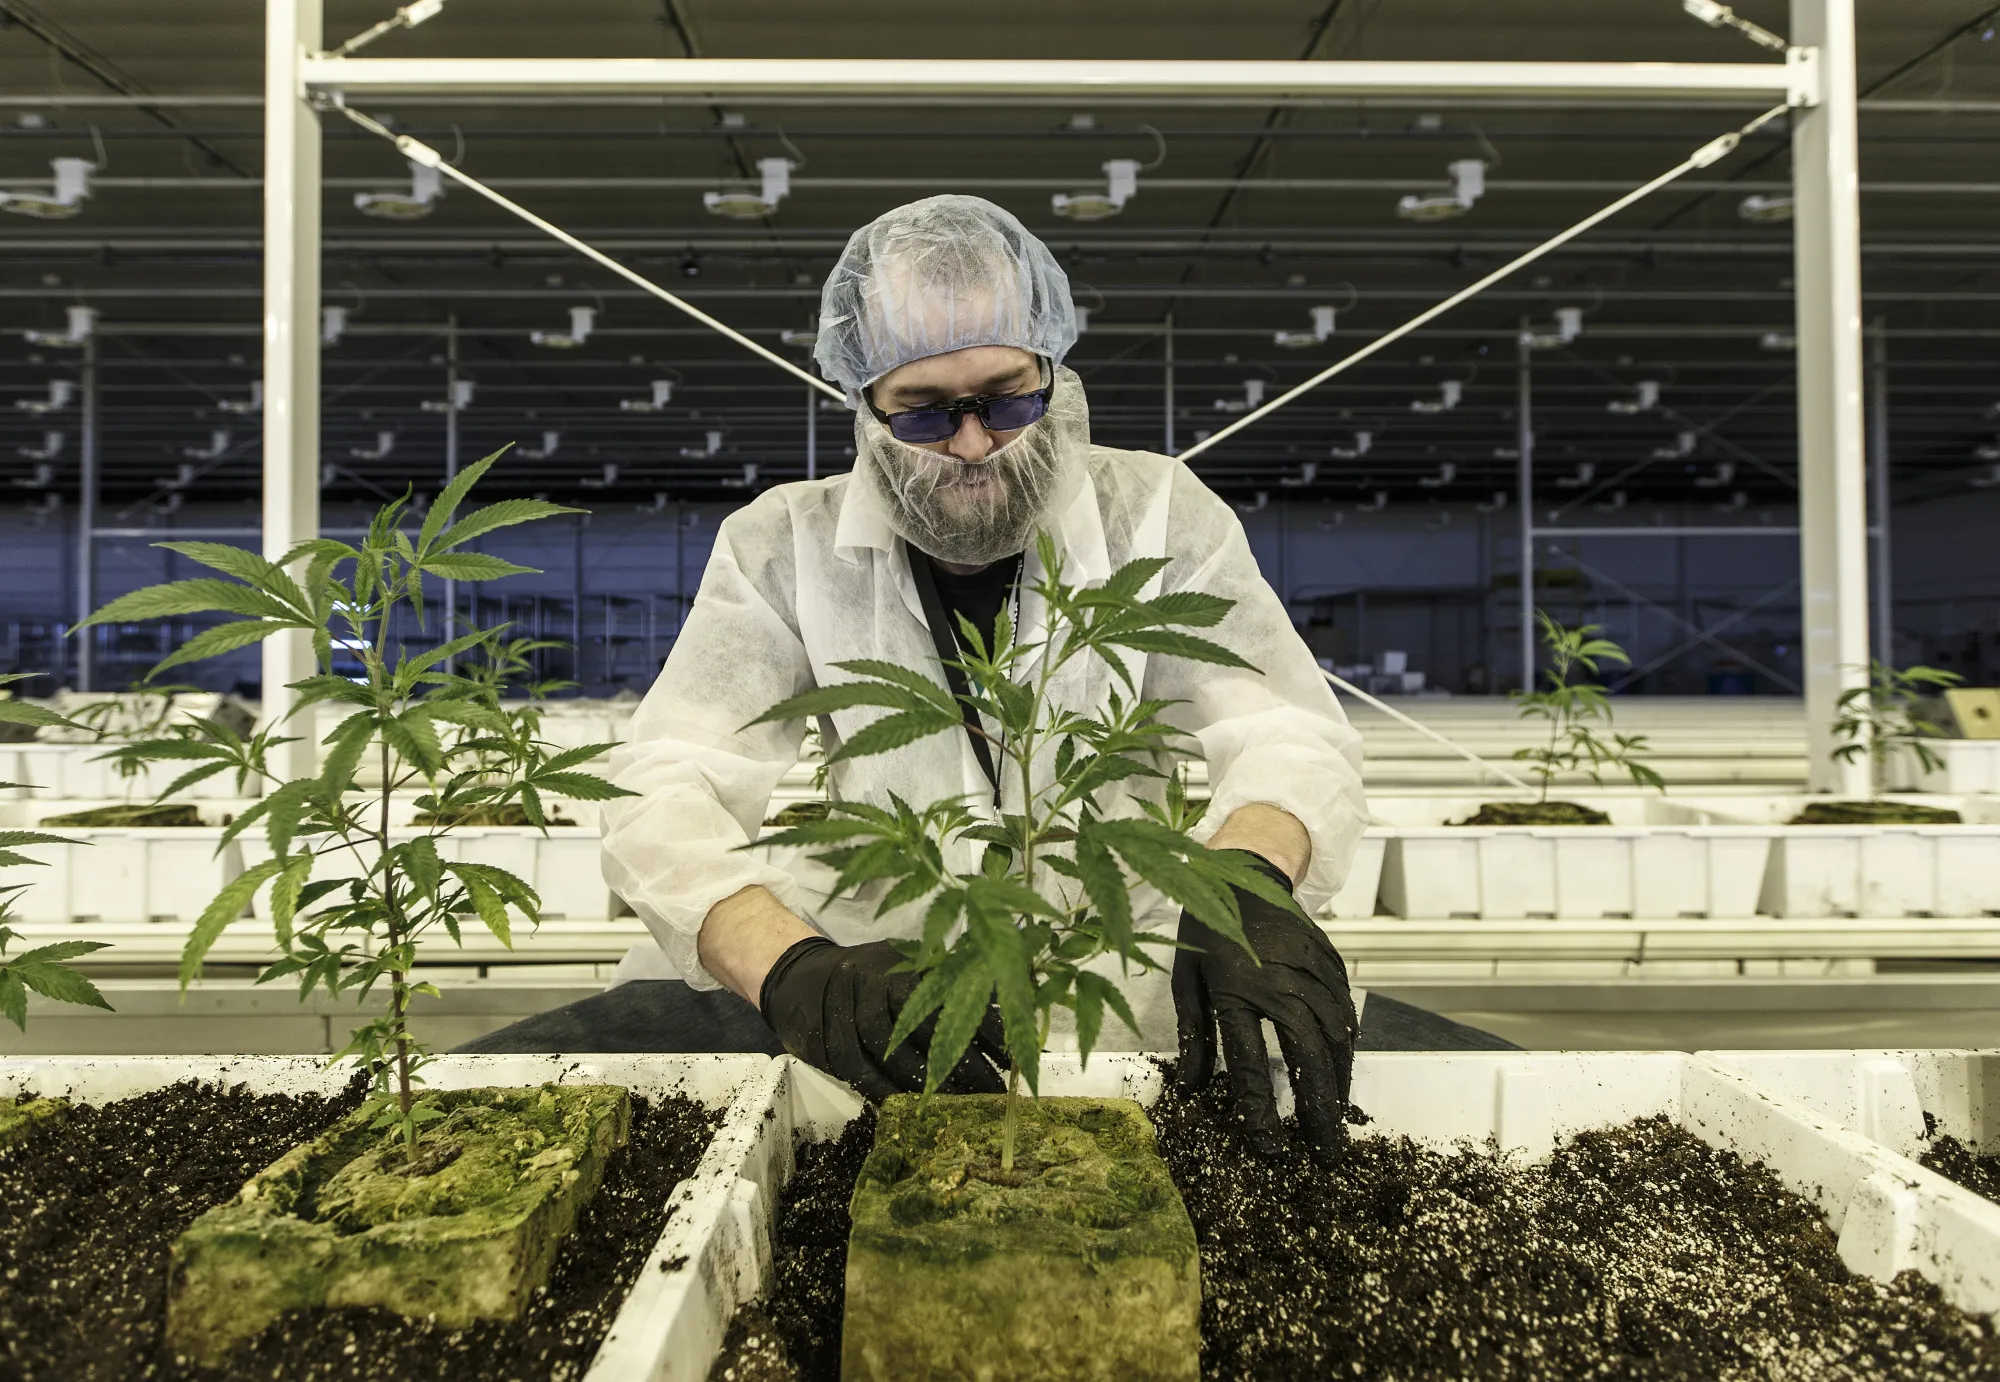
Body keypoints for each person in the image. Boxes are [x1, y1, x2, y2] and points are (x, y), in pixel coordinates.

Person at [461, 194, 1512, 1158]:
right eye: (922, 410)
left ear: (1052, 369)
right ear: (863, 405)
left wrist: (1242, 887)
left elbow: (1282, 729)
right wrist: (789, 967)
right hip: (883, 985)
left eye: (1005, 398)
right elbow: (668, 777)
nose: (970, 442)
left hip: (1127, 967)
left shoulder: (1156, 514)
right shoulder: (785, 542)